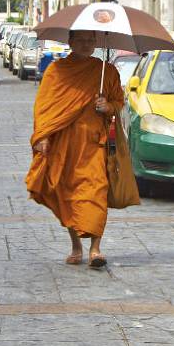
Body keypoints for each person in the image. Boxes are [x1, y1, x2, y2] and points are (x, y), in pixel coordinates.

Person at [25, 30, 123, 269]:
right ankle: (76, 246)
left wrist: (107, 105)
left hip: (93, 144)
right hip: (64, 144)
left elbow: (118, 102)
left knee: (97, 192)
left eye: (91, 40)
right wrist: (43, 136)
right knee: (67, 193)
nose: (86, 44)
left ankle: (96, 249)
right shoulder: (56, 71)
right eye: (80, 40)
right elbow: (44, 107)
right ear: (70, 42)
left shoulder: (106, 71)